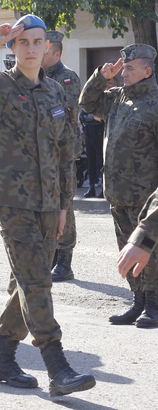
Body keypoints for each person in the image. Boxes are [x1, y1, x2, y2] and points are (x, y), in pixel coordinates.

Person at [0, 14, 95, 397]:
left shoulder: (56, 93)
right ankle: (56, 364)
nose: (31, 47)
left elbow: (65, 153)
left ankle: (3, 358)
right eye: (23, 41)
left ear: (48, 47)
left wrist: (64, 206)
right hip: (12, 200)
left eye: (37, 41)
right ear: (13, 48)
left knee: (28, 281)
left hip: (49, 202)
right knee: (36, 280)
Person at [79, 43, 158, 328]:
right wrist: (102, 76)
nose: (123, 73)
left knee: (149, 250)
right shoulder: (117, 98)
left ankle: (154, 304)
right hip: (117, 192)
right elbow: (87, 103)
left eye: (129, 68)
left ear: (147, 71)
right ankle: (137, 302)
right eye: (122, 68)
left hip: (146, 197)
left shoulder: (156, 103)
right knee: (125, 248)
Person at [42, 31, 82, 282]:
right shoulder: (35, 76)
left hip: (62, 149)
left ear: (56, 54)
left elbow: (63, 114)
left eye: (44, 51)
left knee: (63, 202)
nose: (38, 54)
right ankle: (52, 256)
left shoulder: (66, 78)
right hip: (41, 150)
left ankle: (65, 261)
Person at [79, 106, 104, 199]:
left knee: (102, 162)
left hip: (100, 133)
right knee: (91, 161)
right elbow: (82, 117)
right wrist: (92, 117)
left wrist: (91, 118)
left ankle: (103, 188)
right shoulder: (87, 104)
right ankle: (91, 187)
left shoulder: (101, 102)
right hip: (89, 133)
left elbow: (102, 118)